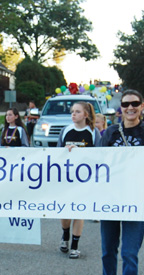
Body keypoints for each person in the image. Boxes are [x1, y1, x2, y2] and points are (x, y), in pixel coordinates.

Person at [96, 89, 144, 275]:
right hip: (111, 200)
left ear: (143, 106)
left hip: (136, 202)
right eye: (126, 104)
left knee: (130, 254)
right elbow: (97, 162)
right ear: (120, 107)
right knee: (107, 251)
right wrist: (75, 155)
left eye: (135, 104)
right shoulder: (110, 132)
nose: (130, 108)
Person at [57, 102, 101, 259]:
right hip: (66, 177)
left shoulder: (93, 132)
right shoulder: (66, 131)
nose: (73, 114)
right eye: (72, 112)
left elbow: (99, 155)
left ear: (86, 115)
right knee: (65, 211)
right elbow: (56, 154)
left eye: (77, 111)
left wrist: (80, 153)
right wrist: (66, 151)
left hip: (84, 179)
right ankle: (65, 236)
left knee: (79, 211)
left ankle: (75, 246)